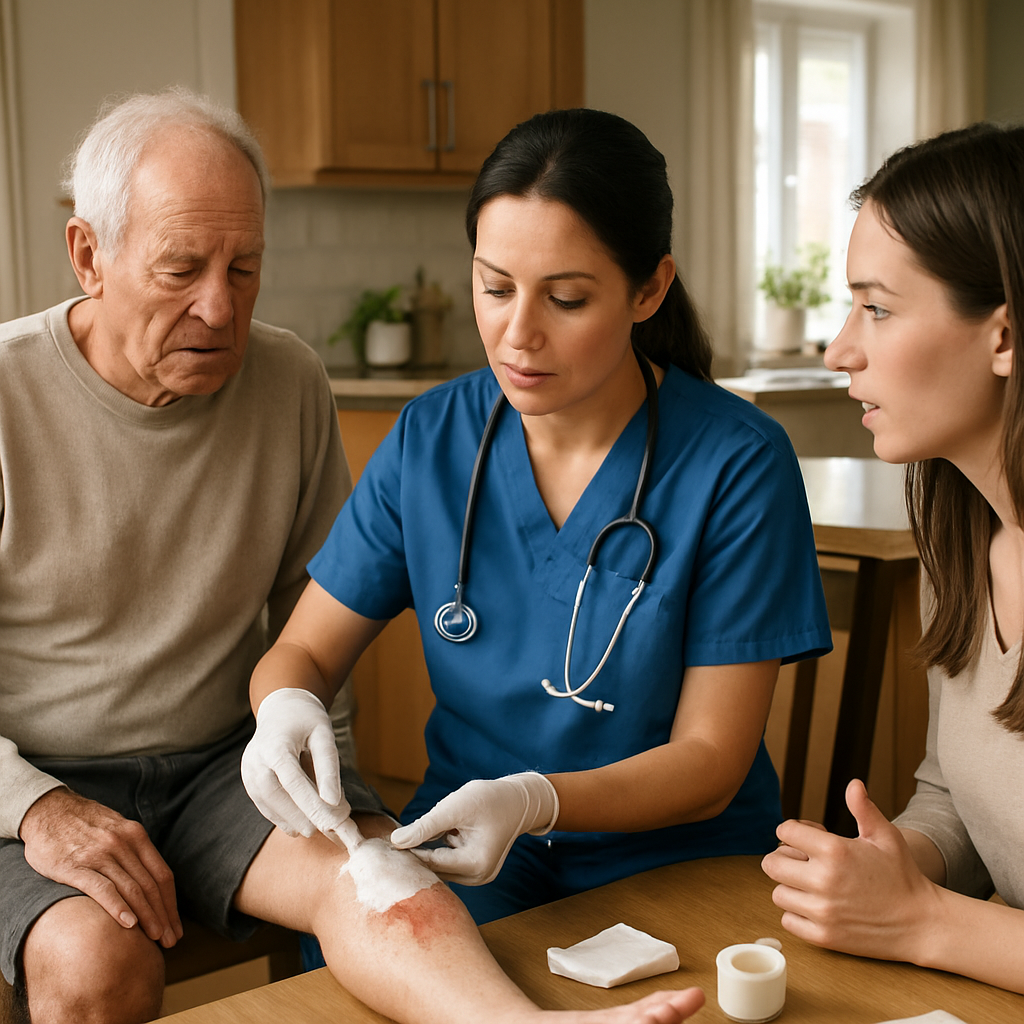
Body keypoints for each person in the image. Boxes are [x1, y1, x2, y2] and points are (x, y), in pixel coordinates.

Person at [0, 89, 705, 1024]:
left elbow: (311, 628)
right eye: (182, 269)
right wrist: (34, 808)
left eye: (245, 268)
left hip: (228, 766)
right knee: (97, 965)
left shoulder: (287, 379)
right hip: (31, 778)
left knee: (377, 880)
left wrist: (316, 760)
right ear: (89, 255)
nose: (220, 307)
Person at [246, 106, 831, 940]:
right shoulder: (431, 440)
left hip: (676, 858)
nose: (517, 335)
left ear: (649, 288)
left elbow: (709, 763)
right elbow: (302, 650)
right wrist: (284, 707)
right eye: (493, 288)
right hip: (463, 850)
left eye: (565, 298)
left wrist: (534, 800)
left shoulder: (736, 463)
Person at [761, 122, 1024, 995]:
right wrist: (895, 863)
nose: (842, 349)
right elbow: (958, 798)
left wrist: (926, 921)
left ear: (1005, 336)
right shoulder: (962, 550)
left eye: (877, 307)